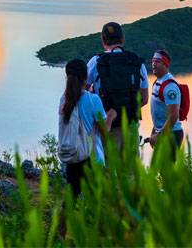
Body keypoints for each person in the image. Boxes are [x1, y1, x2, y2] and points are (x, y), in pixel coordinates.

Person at [86, 22, 148, 149]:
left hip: (106, 126)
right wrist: (126, 108)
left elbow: (83, 94)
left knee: (107, 166)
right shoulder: (136, 61)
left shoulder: (95, 62)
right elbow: (144, 99)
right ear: (123, 38)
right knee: (130, 168)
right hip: (130, 126)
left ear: (103, 39)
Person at [58, 59, 114, 197]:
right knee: (95, 202)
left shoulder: (64, 99)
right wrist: (111, 116)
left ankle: (62, 219)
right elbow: (104, 132)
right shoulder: (93, 100)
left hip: (72, 157)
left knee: (71, 200)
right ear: (85, 76)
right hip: (91, 159)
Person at [148, 50, 184, 157]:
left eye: (157, 61)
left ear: (165, 64)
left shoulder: (169, 86)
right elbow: (158, 112)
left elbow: (173, 116)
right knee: (162, 171)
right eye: (153, 61)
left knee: (167, 171)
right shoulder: (157, 82)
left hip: (171, 134)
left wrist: (159, 135)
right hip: (162, 133)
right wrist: (153, 133)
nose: (153, 64)